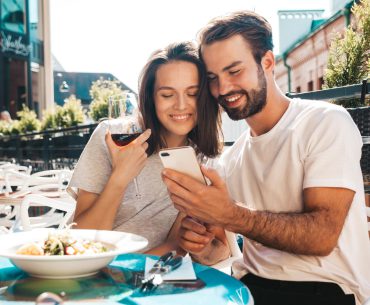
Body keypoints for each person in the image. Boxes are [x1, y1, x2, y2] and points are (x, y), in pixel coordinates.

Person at [161, 11, 370, 305]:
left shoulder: (324, 122)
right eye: (213, 78)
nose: (223, 89)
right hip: (248, 287)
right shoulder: (232, 158)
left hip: (325, 290)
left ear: (268, 63)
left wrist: (231, 215)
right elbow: (221, 252)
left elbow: (322, 236)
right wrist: (200, 245)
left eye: (234, 71)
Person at [69, 41, 228, 257]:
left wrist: (129, 276)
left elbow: (177, 245)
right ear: (151, 98)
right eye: (167, 95)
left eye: (192, 93)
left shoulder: (205, 163)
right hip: (84, 269)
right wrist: (120, 176)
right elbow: (80, 241)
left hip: (144, 277)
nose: (181, 105)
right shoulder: (112, 137)